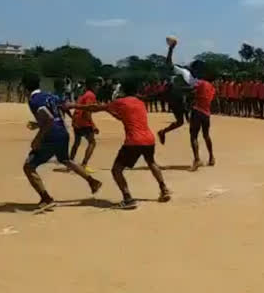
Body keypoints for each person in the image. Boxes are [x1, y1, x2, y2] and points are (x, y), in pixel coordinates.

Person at [70, 77, 171, 209]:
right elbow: (121, 117)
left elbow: (94, 107)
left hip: (133, 141)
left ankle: (128, 198)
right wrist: (108, 110)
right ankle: (164, 189)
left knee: (116, 170)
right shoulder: (140, 101)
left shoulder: (121, 101)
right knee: (151, 163)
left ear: (123, 89)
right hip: (149, 139)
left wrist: (74, 105)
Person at [22, 73, 102, 211]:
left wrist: (37, 139)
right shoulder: (50, 96)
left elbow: (48, 119)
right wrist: (38, 124)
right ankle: (92, 181)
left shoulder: (34, 100)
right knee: (65, 160)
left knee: (28, 167)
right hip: (62, 132)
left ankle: (46, 199)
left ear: (24, 87)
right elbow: (64, 107)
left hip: (51, 135)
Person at [166, 37, 217, 171]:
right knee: (206, 135)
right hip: (206, 112)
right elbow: (170, 65)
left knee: (193, 136)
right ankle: (212, 157)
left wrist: (178, 90)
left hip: (197, 110)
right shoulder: (210, 86)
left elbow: (192, 90)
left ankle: (197, 159)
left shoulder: (195, 81)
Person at [69, 77, 100, 172]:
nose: (98, 87)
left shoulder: (83, 94)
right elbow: (87, 111)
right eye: (97, 85)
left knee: (76, 143)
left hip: (76, 120)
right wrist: (93, 125)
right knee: (92, 142)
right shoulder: (90, 95)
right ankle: (84, 164)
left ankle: (69, 164)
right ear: (92, 85)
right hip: (83, 122)